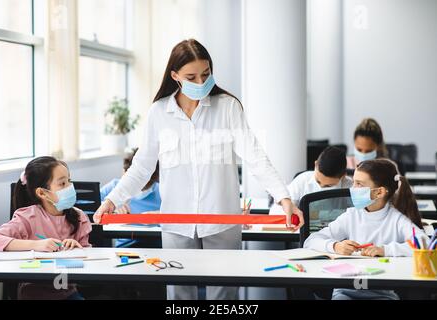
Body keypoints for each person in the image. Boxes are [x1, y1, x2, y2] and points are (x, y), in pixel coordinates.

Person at [93, 39, 303, 300]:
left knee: (223, 297)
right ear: (175, 76)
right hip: (176, 223)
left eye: (205, 74)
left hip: (222, 220)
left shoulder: (227, 106)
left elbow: (255, 156)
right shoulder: (159, 112)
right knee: (180, 296)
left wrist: (284, 198)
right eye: (191, 76)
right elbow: (142, 167)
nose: (201, 81)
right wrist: (112, 200)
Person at [304, 159, 428, 300]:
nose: (353, 189)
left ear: (379, 192)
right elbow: (311, 240)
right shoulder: (352, 215)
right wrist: (335, 246)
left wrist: (385, 250)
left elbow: (425, 245)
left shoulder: (396, 219)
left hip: (382, 294)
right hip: (345, 292)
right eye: (354, 182)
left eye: (359, 184)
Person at [0, 156, 92, 300]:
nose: (69, 187)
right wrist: (36, 245)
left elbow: (90, 261)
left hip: (68, 294)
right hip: (33, 294)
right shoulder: (28, 217)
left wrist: (79, 249)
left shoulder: (79, 218)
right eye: (62, 183)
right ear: (42, 193)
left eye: (69, 181)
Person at [101, 148, 161, 247]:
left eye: (145, 186)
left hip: (155, 246)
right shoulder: (114, 186)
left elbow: (179, 215)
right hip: (124, 246)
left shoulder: (161, 191)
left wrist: (160, 215)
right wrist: (111, 205)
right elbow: (88, 207)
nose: (138, 190)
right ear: (124, 172)